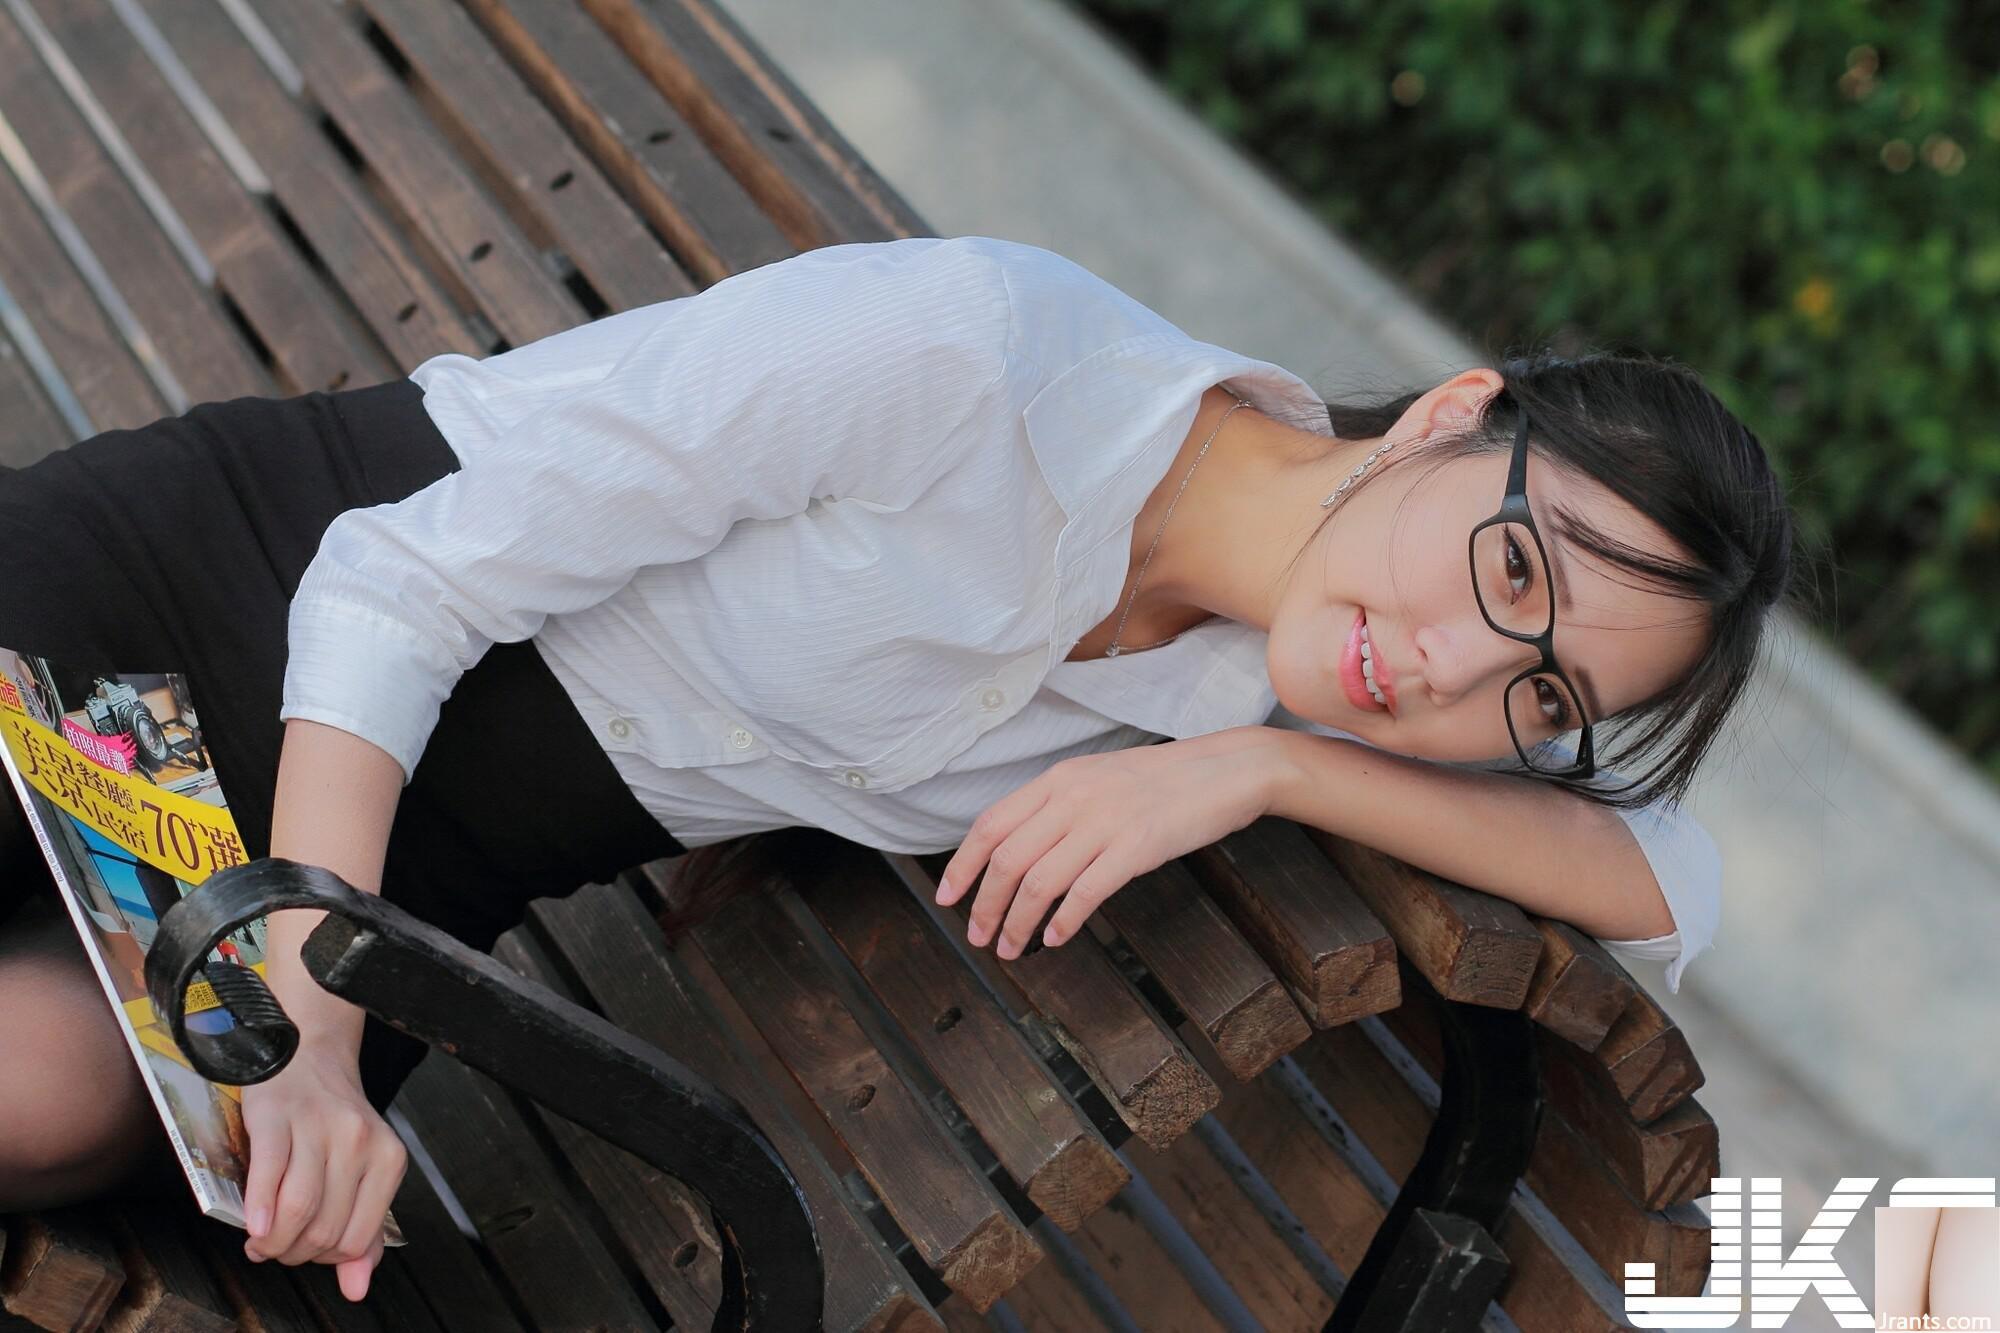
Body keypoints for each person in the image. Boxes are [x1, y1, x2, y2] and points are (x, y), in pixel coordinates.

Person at [0, 233, 1799, 1301]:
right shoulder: (980, 359)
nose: (1456, 671)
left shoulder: (1238, 706)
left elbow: (1675, 881)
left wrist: (1269, 779)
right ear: (1448, 414)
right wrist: (313, 1019)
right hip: (227, 612)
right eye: (1507, 572)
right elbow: (397, 579)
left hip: (424, 881)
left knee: (50, 1097)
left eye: (1542, 696)